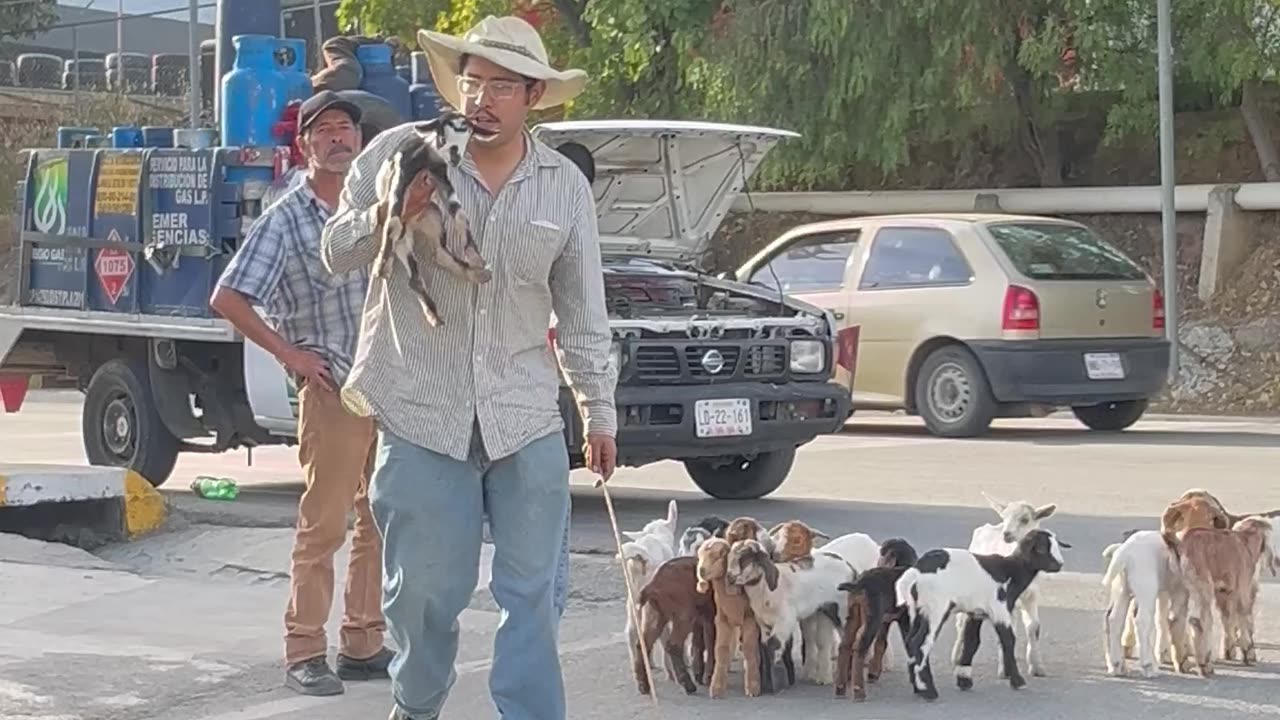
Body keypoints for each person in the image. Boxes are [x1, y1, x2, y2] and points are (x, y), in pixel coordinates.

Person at [320, 14, 618, 720]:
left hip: (524, 418)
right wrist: (395, 212)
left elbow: (581, 309)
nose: (481, 99)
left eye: (502, 87)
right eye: (472, 82)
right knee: (423, 594)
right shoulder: (403, 152)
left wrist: (598, 410)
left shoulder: (562, 187)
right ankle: (417, 708)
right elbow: (336, 251)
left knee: (534, 598)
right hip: (423, 412)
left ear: (535, 96)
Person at [210, 90, 394, 697]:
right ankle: (304, 651)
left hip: (388, 387)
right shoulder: (287, 217)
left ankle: (364, 643)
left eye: (348, 129)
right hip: (333, 388)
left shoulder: (375, 206)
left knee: (380, 519)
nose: (341, 139)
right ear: (305, 145)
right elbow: (228, 296)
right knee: (325, 526)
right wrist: (289, 354)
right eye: (327, 131)